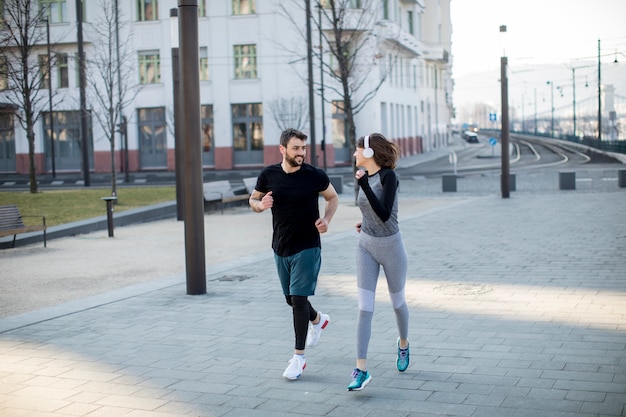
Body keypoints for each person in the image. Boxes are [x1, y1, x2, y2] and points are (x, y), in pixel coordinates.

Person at [249, 128, 339, 380]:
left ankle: (298, 358)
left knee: (298, 300)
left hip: (308, 246)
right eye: (296, 148)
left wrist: (326, 219)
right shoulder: (268, 175)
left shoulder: (314, 175)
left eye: (303, 148)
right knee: (291, 299)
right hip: (280, 246)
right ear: (283, 149)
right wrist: (260, 205)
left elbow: (332, 198)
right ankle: (318, 319)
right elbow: (253, 200)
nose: (301, 153)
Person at [347, 133, 410, 391]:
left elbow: (385, 214)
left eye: (358, 150)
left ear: (370, 152)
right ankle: (361, 370)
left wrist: (363, 187)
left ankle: (404, 344)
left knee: (397, 303)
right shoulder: (364, 177)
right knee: (365, 308)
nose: (354, 154)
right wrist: (365, 223)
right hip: (366, 247)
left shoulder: (388, 177)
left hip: (392, 247)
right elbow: (371, 212)